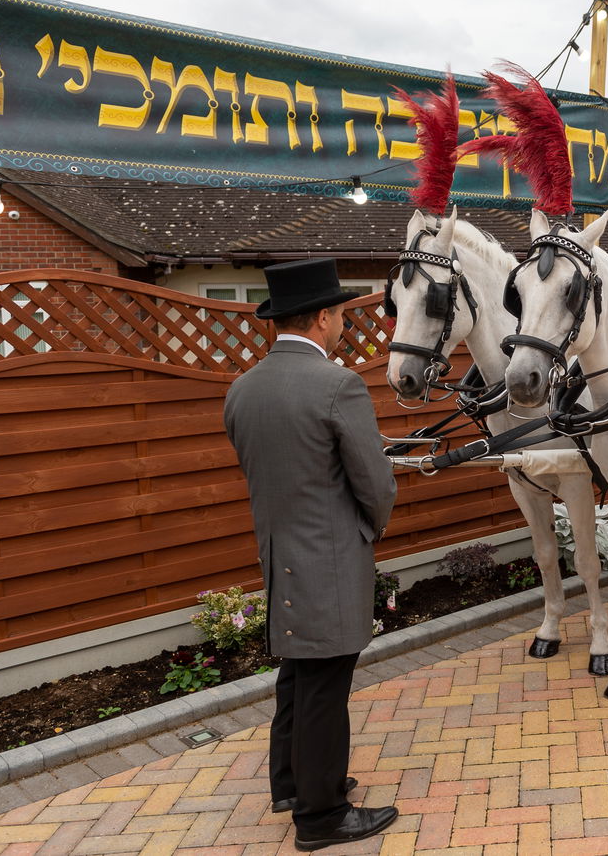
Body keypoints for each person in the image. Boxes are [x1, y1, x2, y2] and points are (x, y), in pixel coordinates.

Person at [223, 258, 398, 852]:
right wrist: (368, 531)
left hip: (280, 557)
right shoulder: (337, 386)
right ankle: (321, 817)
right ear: (324, 318)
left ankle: (294, 783)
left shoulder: (243, 389)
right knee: (326, 685)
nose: (344, 323)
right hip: (330, 556)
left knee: (298, 677)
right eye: (342, 314)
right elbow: (374, 484)